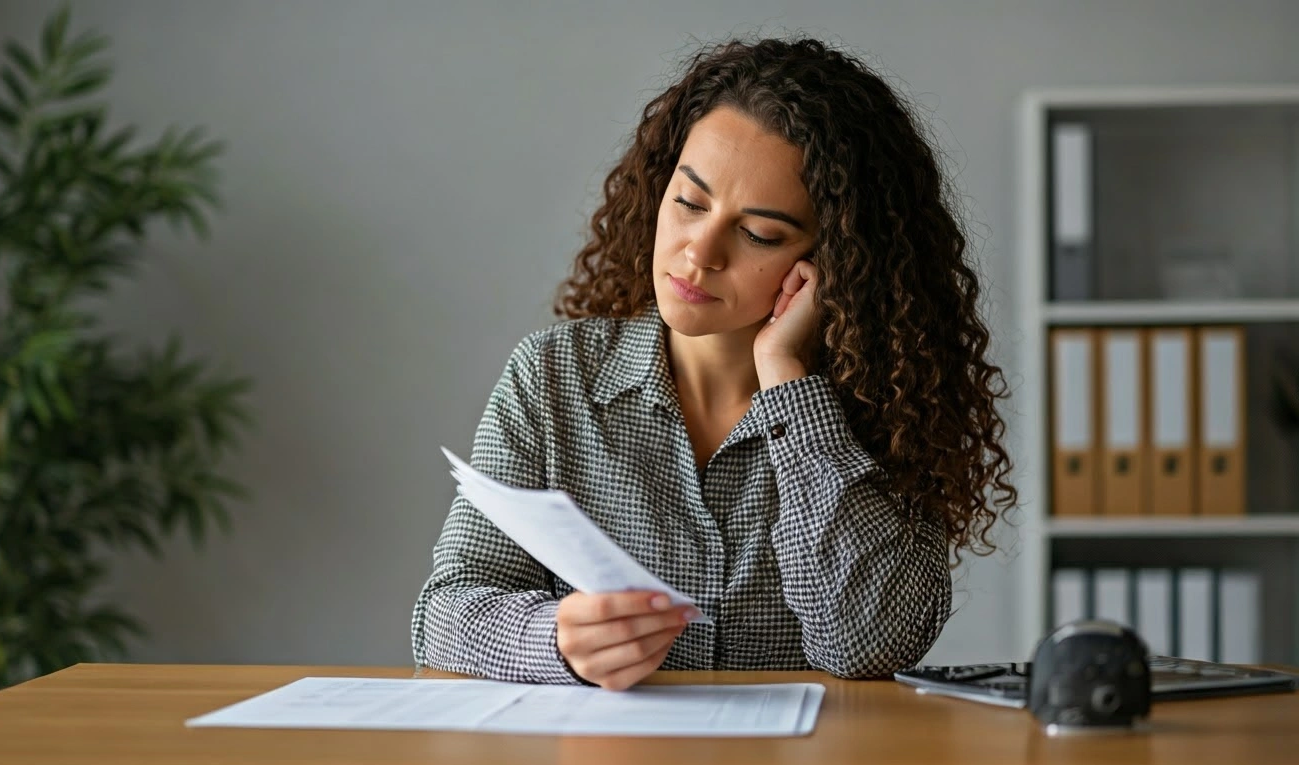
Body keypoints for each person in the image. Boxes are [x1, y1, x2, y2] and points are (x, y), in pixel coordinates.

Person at [410, 36, 1016, 692]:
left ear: (835, 261)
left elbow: (866, 644)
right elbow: (444, 611)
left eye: (759, 234)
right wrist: (556, 638)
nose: (699, 255)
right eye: (690, 203)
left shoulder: (883, 407)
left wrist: (786, 376)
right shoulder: (555, 379)